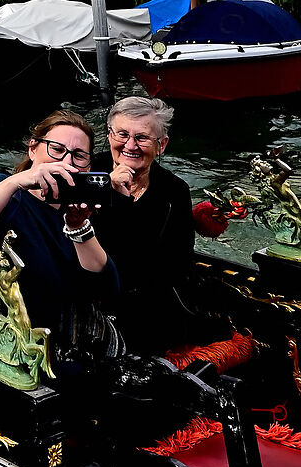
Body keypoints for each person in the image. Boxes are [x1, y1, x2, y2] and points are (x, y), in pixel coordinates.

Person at [0, 112, 119, 374]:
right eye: (56, 150)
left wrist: (78, 228)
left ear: (88, 167)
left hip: (54, 346)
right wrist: (15, 182)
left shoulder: (83, 211)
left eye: (78, 156)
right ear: (33, 149)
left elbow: (106, 290)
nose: (66, 162)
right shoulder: (1, 188)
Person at [87, 95, 227, 354]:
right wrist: (110, 191)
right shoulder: (87, 173)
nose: (130, 145)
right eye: (122, 134)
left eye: (142, 138)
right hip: (91, 299)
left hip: (150, 301)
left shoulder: (175, 190)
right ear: (109, 135)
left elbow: (178, 262)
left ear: (161, 145)